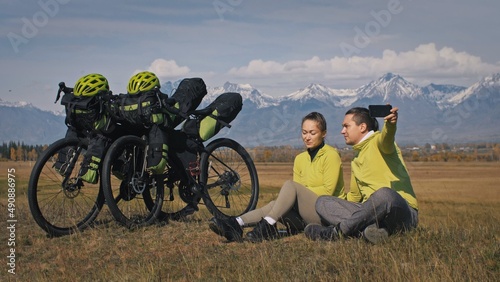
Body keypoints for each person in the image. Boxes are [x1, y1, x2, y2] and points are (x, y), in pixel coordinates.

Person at [209, 112, 346, 242]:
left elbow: (328, 192)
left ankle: (267, 225)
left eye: (312, 133)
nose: (307, 137)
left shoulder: (331, 155)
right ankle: (236, 224)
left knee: (290, 186)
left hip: (326, 215)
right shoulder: (300, 159)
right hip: (304, 217)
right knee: (275, 205)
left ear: (324, 133)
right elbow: (297, 194)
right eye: (304, 133)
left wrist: (302, 192)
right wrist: (298, 195)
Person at [304, 106, 418, 244]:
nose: (342, 131)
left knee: (385, 194)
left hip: (400, 212)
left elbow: (387, 137)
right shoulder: (356, 160)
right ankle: (370, 232)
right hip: (371, 214)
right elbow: (355, 197)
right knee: (323, 202)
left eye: (346, 126)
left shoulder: (379, 142)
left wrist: (390, 125)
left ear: (362, 127)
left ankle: (337, 232)